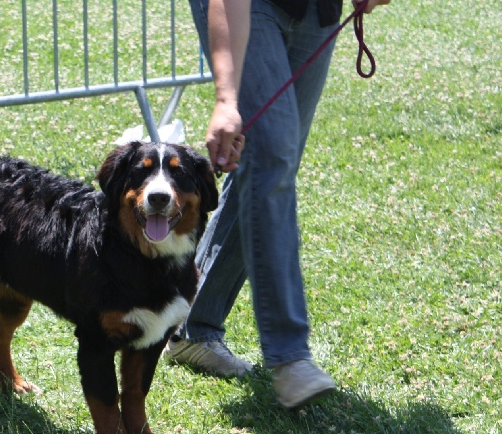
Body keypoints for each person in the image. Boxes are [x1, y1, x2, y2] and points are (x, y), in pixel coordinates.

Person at [165, 0, 391, 408]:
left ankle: (191, 326)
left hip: (317, 12)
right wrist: (227, 99)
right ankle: (290, 356)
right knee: (272, 161)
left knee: (268, 169)